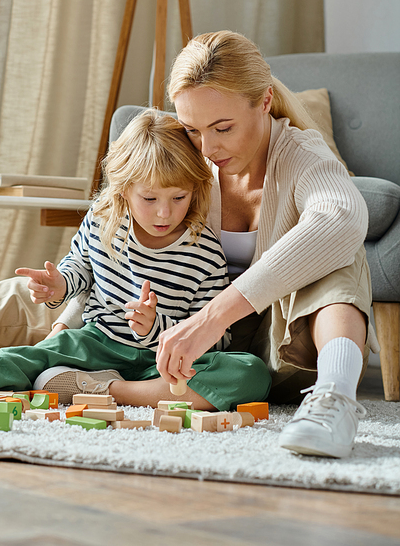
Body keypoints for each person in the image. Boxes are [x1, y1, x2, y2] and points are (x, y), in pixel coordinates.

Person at [0, 110, 271, 412]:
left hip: (162, 363)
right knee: (19, 357)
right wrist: (59, 284)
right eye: (150, 199)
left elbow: (218, 338)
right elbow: (80, 267)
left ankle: (108, 390)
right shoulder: (102, 219)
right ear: (124, 190)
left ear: (195, 190)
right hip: (96, 343)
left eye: (178, 198)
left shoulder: (204, 250)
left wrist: (157, 328)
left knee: (250, 373)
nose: (164, 213)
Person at [153, 30, 373, 458]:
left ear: (265, 102)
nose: (209, 148)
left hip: (278, 349)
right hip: (184, 344)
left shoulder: (302, 155)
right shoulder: (188, 156)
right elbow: (112, 230)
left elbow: (343, 217)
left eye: (223, 128)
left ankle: (334, 400)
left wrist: (213, 318)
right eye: (193, 130)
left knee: (335, 255)